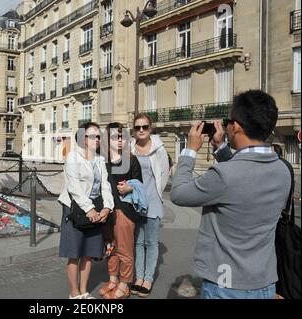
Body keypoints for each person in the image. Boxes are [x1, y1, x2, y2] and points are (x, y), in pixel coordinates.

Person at [171, 90, 291, 299]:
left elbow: (179, 193)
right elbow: (243, 180)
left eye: (228, 121)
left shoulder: (225, 175)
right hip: (264, 282)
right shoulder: (283, 170)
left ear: (235, 127)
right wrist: (221, 148)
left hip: (226, 284)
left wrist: (190, 150)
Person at [57, 122, 114, 299]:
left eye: (98, 136)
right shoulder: (73, 157)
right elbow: (74, 187)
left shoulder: (99, 159)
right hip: (75, 210)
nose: (97, 139)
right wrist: (89, 209)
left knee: (89, 253)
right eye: (92, 136)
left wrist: (107, 207)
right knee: (75, 254)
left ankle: (84, 291)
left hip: (96, 210)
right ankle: (74, 293)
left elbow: (106, 185)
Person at [98, 122, 143, 299]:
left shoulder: (131, 160)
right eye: (115, 136)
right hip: (107, 211)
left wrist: (130, 188)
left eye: (122, 136)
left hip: (124, 211)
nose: (119, 140)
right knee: (110, 247)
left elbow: (140, 185)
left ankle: (125, 284)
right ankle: (113, 280)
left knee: (125, 250)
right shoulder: (102, 159)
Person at [130, 113, 170, 297]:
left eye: (144, 127)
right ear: (134, 129)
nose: (141, 130)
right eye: (138, 127)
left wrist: (155, 195)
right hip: (135, 201)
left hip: (152, 201)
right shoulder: (129, 148)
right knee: (138, 242)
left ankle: (148, 278)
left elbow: (163, 176)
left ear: (150, 128)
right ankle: (138, 278)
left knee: (151, 242)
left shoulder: (159, 149)